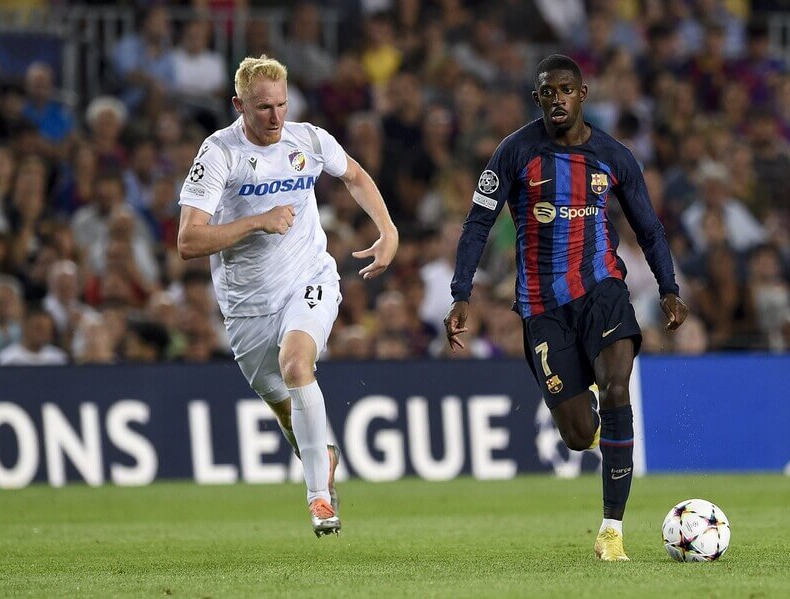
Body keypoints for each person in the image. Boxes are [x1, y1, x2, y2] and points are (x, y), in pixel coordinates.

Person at [444, 55, 687, 561]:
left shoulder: (613, 157)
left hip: (603, 289)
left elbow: (649, 227)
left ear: (583, 93)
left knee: (618, 387)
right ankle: (600, 423)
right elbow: (477, 224)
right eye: (547, 93)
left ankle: (611, 532)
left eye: (566, 90)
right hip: (542, 306)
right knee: (579, 436)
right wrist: (461, 292)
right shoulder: (514, 152)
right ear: (538, 99)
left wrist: (668, 286)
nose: (557, 100)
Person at [176, 55, 397, 537]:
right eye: (262, 108)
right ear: (239, 105)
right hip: (247, 306)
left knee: (298, 365)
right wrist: (257, 220)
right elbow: (188, 242)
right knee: (286, 407)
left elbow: (354, 175)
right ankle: (321, 455)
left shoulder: (309, 139)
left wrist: (388, 230)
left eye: (281, 104)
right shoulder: (219, 154)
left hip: (309, 278)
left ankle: (319, 500)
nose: (275, 117)